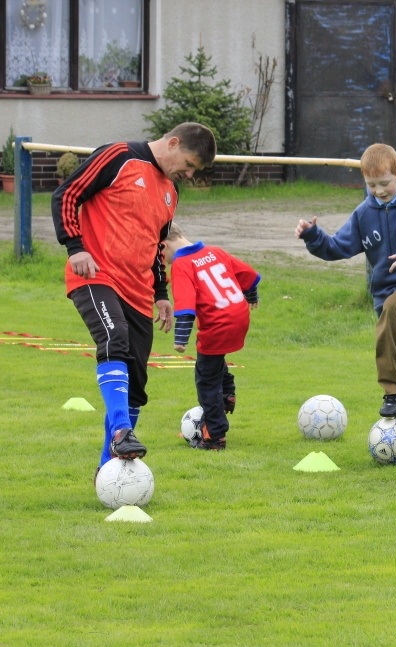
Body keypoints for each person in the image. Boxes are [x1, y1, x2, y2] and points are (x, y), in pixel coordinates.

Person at [52, 122, 216, 475]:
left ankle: (107, 470)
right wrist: (75, 247)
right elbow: (66, 194)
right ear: (173, 143)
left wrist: (161, 294)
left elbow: (156, 245)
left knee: (137, 384)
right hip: (95, 275)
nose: (188, 174)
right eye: (188, 164)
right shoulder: (119, 157)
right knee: (115, 340)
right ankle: (123, 433)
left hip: (139, 292)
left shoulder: (171, 191)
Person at [296, 143, 396, 419]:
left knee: (394, 308)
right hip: (384, 294)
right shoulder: (364, 213)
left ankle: (393, 392)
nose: (378, 191)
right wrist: (313, 236)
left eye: (385, 183)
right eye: (371, 185)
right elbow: (335, 248)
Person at [164, 224, 261, 450]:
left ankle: (215, 437)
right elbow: (248, 274)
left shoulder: (181, 264)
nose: (165, 262)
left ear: (164, 245)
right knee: (213, 362)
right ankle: (227, 393)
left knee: (206, 380)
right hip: (238, 316)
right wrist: (251, 294)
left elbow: (185, 305)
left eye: (162, 256)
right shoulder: (214, 251)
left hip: (217, 324)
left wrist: (180, 339)